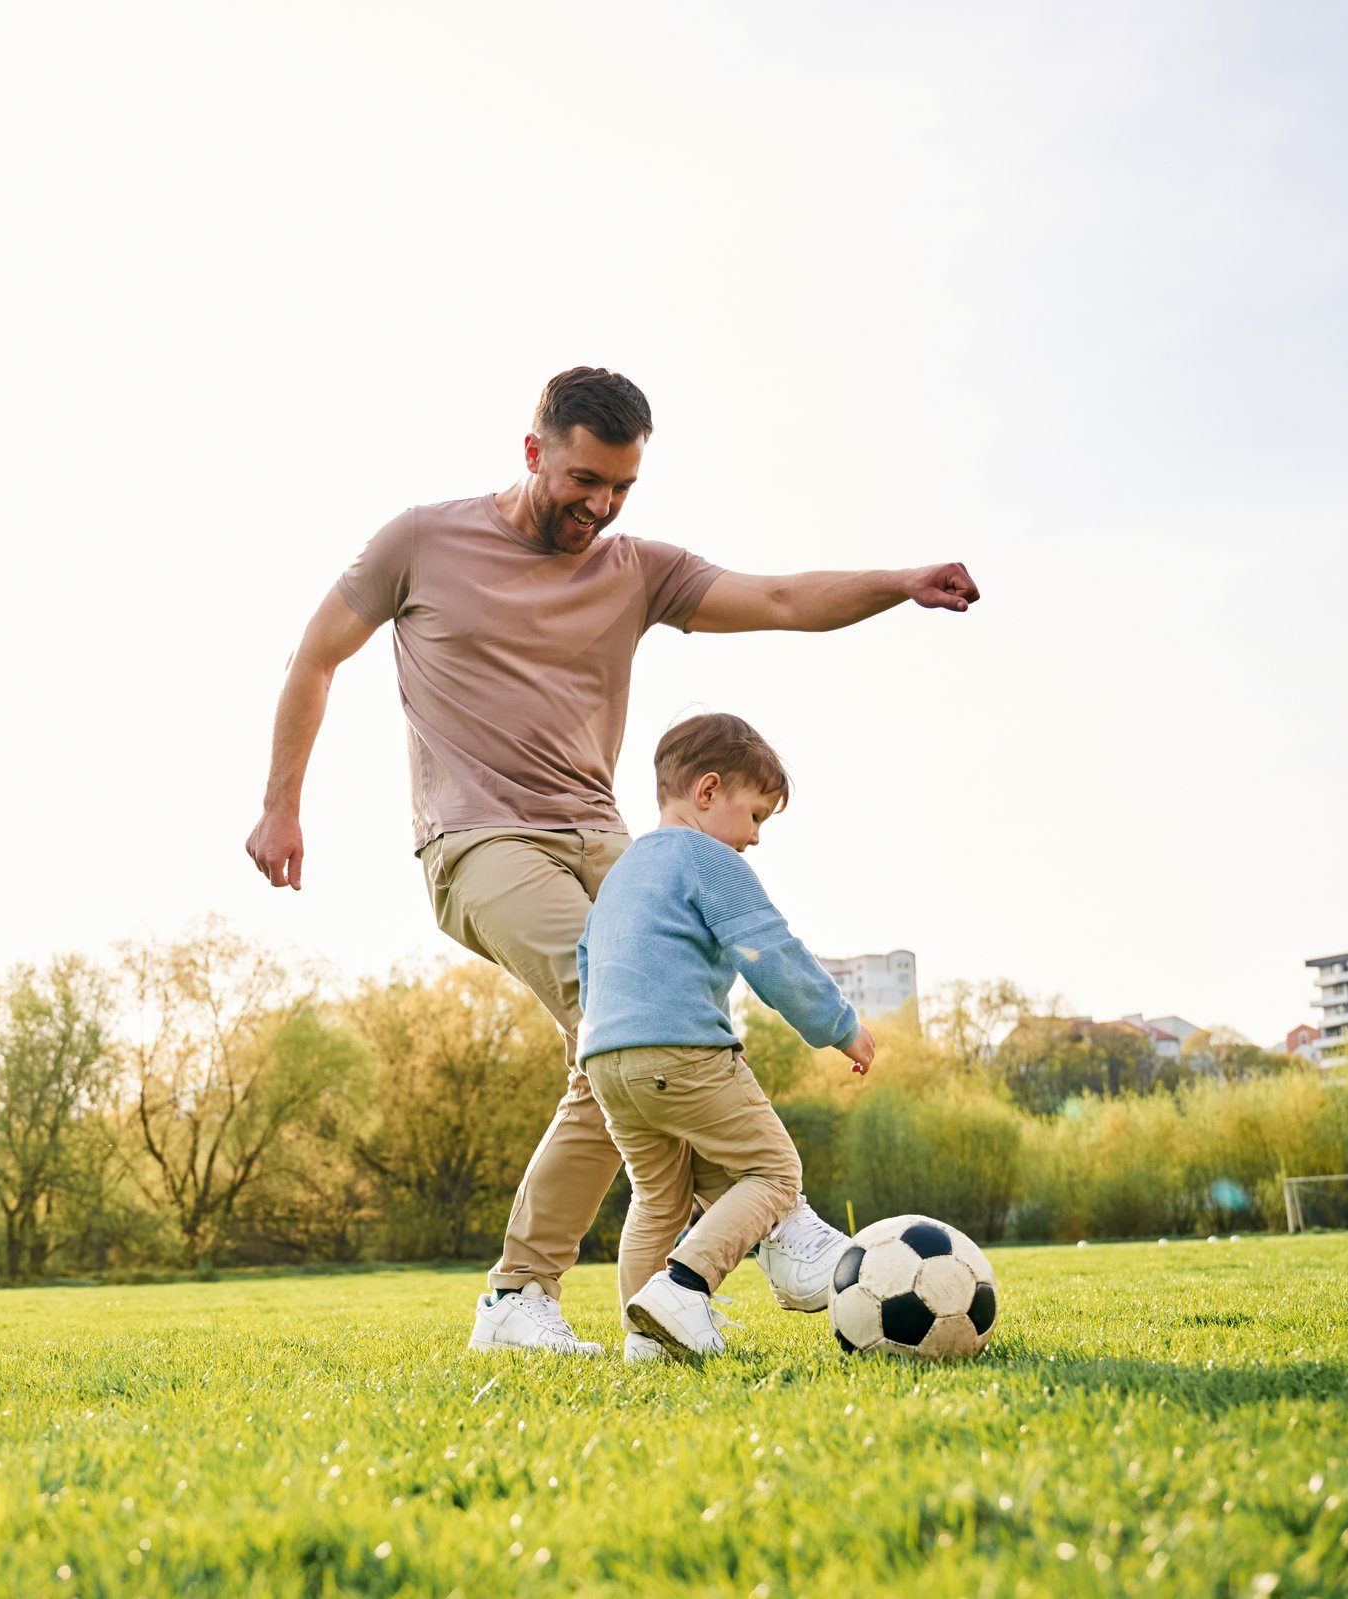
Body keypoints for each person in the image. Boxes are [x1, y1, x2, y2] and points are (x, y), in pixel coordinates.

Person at [243, 366, 979, 1356]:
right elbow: (317, 654)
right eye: (584, 480)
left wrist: (895, 585)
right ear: (534, 450)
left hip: (609, 842)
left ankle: (554, 1302)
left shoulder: (635, 567)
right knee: (621, 1022)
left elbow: (780, 598)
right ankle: (778, 1227)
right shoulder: (421, 541)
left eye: (621, 489)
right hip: (481, 840)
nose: (599, 506)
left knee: (627, 1054)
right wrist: (281, 804)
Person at [575, 712, 873, 1362]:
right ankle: (685, 1285)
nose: (758, 837)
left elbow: (585, 959)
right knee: (772, 1169)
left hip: (604, 1059)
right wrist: (841, 1025)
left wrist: (601, 1046)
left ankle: (647, 1340)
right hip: (683, 1049)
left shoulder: (623, 872)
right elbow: (771, 953)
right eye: (758, 814)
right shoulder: (706, 856)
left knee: (658, 1195)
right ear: (707, 792)